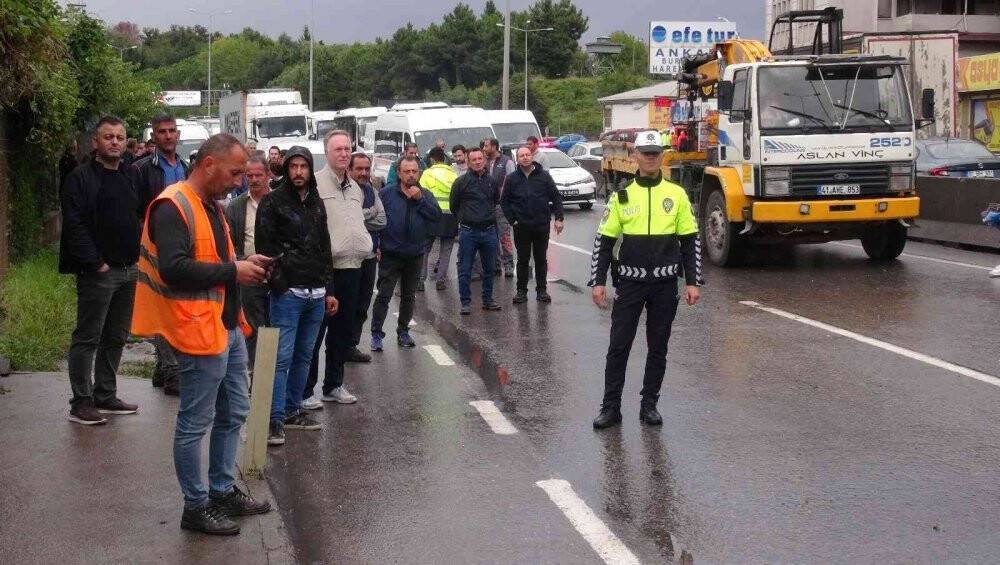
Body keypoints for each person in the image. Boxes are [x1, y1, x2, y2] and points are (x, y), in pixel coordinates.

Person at [131, 133, 272, 535]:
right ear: (209, 165)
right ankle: (195, 507)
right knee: (196, 421)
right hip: (197, 331)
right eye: (235, 173)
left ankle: (222, 491)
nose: (240, 181)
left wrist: (243, 261)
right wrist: (233, 270)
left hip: (225, 326)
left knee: (234, 411)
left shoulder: (210, 204)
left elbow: (214, 258)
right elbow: (174, 269)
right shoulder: (172, 205)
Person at [588, 130, 703, 430]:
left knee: (658, 347)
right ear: (635, 156)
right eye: (645, 153)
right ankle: (610, 407)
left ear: (662, 156)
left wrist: (693, 281)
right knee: (618, 346)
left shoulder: (677, 194)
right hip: (630, 283)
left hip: (665, 285)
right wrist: (597, 281)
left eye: (655, 153)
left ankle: (649, 405)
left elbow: (690, 240)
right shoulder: (622, 196)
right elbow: (604, 241)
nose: (651, 158)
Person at [59, 116, 141, 425]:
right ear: (96, 142)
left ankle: (105, 394)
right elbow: (74, 224)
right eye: (108, 137)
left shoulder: (130, 173)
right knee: (88, 337)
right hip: (99, 272)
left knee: (116, 336)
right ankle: (81, 401)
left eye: (120, 137)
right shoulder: (80, 178)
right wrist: (96, 262)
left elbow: (136, 215)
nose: (115, 142)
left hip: (129, 269)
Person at [254, 146, 338, 446]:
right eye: (293, 166)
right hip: (288, 295)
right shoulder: (272, 202)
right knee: (281, 358)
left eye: (303, 166)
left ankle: (291, 410)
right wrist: (281, 287)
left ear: (310, 169)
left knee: (305, 355)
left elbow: (324, 247)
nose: (298, 172)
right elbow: (264, 249)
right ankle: (274, 419)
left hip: (316, 294)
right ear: (286, 169)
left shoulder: (317, 202)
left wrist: (329, 290)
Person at [303, 130, 381, 409]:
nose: (344, 154)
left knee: (343, 331)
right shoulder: (315, 185)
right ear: (327, 152)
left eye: (347, 149)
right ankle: (306, 390)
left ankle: (333, 385)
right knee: (316, 332)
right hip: (326, 269)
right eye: (338, 149)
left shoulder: (355, 188)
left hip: (355, 266)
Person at [131, 113, 190, 396]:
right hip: (153, 245)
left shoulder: (186, 167)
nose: (168, 135)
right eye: (162, 131)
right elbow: (134, 211)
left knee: (178, 306)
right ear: (153, 137)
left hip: (182, 246)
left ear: (178, 135)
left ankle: (161, 367)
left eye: (172, 130)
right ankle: (172, 371)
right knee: (162, 307)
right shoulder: (142, 169)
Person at [370, 157, 441, 350]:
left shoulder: (425, 195)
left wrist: (420, 200)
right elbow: (376, 220)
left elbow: (436, 217)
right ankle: (376, 334)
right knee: (384, 296)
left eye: (414, 171)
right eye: (407, 171)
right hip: (391, 254)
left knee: (409, 296)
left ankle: (403, 332)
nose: (411, 175)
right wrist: (377, 244)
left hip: (415, 254)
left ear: (419, 173)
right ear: (399, 173)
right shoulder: (386, 194)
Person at [223, 156, 271, 373]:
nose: (254, 180)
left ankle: (270, 378)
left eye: (258, 175)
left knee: (275, 330)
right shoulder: (235, 207)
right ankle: (254, 375)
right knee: (253, 328)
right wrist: (243, 263)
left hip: (278, 277)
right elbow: (230, 246)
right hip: (250, 277)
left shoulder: (279, 202)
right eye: (249, 175)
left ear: (268, 175)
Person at [501, 146, 564, 304]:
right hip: (521, 226)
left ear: (532, 157)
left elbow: (556, 197)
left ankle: (542, 290)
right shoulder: (512, 179)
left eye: (528, 154)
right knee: (523, 259)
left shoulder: (544, 176)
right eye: (522, 155)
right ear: (517, 159)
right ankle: (521, 291)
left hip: (541, 224)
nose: (525, 157)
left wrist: (559, 218)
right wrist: (512, 220)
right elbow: (504, 202)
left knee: (540, 258)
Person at [451, 147, 503, 315]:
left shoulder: (492, 181)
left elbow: (495, 201)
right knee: (465, 269)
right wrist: (466, 218)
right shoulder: (461, 182)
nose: (478, 162)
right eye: (474, 159)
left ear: (484, 160)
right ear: (468, 162)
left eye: (480, 158)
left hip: (489, 231)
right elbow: (454, 206)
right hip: (468, 232)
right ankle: (465, 302)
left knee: (490, 269)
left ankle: (487, 300)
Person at [347, 153, 386, 362]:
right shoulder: (345, 190)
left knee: (363, 304)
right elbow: (348, 219)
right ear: (349, 170)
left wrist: (362, 216)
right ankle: (341, 346)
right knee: (347, 304)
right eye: (359, 169)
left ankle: (351, 345)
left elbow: (382, 220)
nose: (363, 173)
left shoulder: (372, 190)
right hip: (349, 257)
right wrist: (370, 212)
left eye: (366, 169)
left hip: (370, 255)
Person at [419, 147, 458, 291]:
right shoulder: (453, 174)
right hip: (450, 216)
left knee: (425, 249)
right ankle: (440, 280)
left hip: (431, 215)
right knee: (446, 250)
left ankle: (420, 280)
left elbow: (421, 195)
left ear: (432, 159)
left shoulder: (427, 174)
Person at [483, 137, 516, 278]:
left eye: (486, 146)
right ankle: (495, 264)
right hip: (487, 206)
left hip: (502, 206)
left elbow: (513, 182)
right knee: (491, 237)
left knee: (504, 235)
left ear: (494, 147)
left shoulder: (506, 161)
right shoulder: (484, 162)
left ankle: (508, 264)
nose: (484, 149)